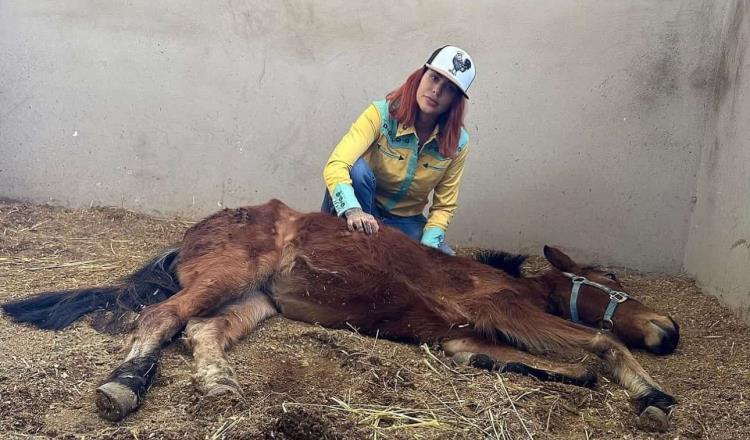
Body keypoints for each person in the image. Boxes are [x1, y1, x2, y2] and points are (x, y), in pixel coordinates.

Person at [321, 45, 476, 255]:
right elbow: (336, 165)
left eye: (449, 88)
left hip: (405, 222)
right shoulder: (381, 114)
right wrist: (353, 210)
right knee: (356, 170)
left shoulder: (458, 143)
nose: (436, 91)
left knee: (445, 265)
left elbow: (443, 207)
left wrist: (429, 249)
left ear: (455, 101)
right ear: (420, 76)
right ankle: (352, 240)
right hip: (362, 205)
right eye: (434, 78)